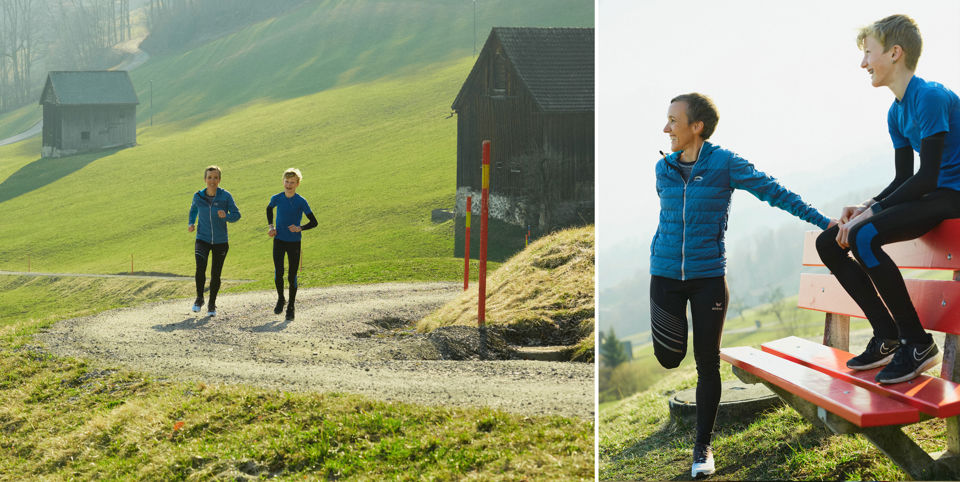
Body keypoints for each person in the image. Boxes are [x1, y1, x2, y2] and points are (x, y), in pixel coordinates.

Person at [650, 93, 834, 478]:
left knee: (707, 362)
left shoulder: (724, 164)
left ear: (696, 127)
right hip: (664, 277)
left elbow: (774, 191)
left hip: (708, 279)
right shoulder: (662, 169)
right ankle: (698, 431)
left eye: (673, 120)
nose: (666, 128)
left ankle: (702, 449)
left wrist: (823, 222)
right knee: (669, 357)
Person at [815, 14, 960, 385]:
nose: (863, 63)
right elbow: (903, 178)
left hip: (953, 196)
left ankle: (918, 344)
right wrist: (866, 206)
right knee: (829, 243)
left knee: (863, 235)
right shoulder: (896, 111)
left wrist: (870, 215)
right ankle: (887, 336)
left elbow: (927, 176)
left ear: (895, 53)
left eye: (868, 53)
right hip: (931, 194)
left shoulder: (929, 97)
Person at [188, 165, 241, 316]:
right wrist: (191, 223)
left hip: (220, 241)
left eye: (215, 177)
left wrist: (226, 216)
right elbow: (193, 210)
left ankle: (212, 304)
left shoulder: (225, 196)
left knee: (215, 274)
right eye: (209, 177)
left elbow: (237, 215)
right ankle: (199, 299)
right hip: (202, 239)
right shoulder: (198, 196)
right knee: (200, 268)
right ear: (205, 179)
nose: (212, 180)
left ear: (219, 179)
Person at [267, 168, 318, 321]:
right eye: (287, 182)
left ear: (297, 184)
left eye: (292, 182)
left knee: (292, 276)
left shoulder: (301, 201)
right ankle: (281, 299)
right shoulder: (277, 198)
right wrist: (271, 227)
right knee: (279, 272)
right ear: (283, 181)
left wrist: (300, 228)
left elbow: (314, 222)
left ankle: (291, 306)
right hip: (279, 240)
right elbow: (269, 209)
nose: (289, 185)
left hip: (294, 243)